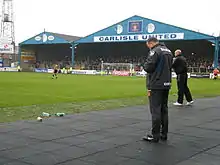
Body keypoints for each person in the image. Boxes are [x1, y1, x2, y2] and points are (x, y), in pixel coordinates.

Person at [142, 37, 173, 143]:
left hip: (156, 84)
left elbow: (149, 67)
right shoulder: (168, 51)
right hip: (166, 83)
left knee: (155, 110)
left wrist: (144, 65)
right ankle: (164, 134)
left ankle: (154, 135)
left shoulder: (155, 51)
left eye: (148, 45)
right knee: (164, 110)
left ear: (150, 43)